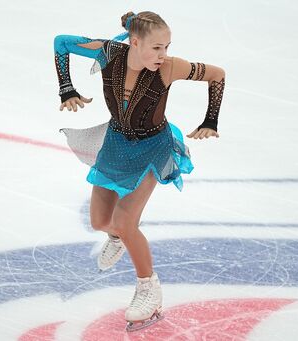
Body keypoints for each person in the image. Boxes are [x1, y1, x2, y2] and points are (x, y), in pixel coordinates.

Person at [53, 10, 225, 331]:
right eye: (156, 47)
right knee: (101, 222)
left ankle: (150, 289)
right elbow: (61, 43)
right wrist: (66, 88)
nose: (163, 55)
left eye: (167, 46)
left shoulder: (171, 67)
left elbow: (217, 74)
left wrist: (210, 121)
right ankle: (118, 235)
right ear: (134, 42)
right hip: (116, 143)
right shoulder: (108, 53)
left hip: (153, 148)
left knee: (125, 221)